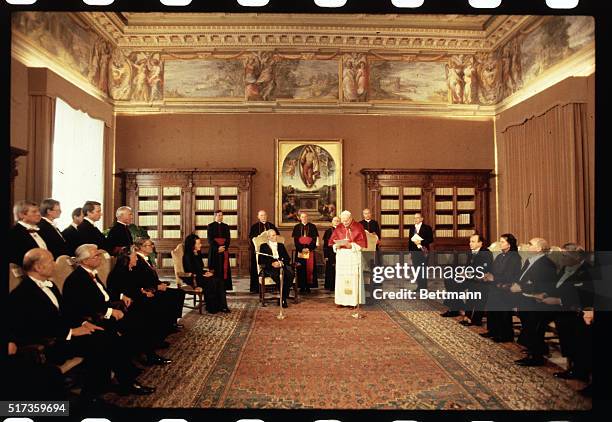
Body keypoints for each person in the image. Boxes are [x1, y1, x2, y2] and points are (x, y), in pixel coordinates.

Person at [8, 249, 155, 401]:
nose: (55, 265)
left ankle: (113, 384)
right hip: (52, 344)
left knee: (106, 335)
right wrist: (71, 332)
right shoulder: (22, 294)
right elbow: (32, 328)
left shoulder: (50, 285)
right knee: (103, 339)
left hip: (65, 334)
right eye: (51, 261)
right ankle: (93, 395)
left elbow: (67, 312)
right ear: (38, 267)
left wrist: (83, 323)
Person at [538, 243, 593, 380]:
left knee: (576, 342)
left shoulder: (586, 271)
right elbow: (557, 286)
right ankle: (573, 367)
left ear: (576, 255)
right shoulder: (564, 268)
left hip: (575, 312)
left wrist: (559, 300)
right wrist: (546, 294)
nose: (561, 258)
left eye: (564, 255)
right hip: (561, 312)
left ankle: (579, 370)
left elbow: (584, 296)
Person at [512, 238, 560, 366]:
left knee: (533, 327)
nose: (527, 246)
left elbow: (544, 286)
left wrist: (522, 287)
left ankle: (535, 357)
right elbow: (523, 278)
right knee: (528, 325)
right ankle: (533, 349)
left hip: (538, 302)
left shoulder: (546, 263)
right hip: (525, 299)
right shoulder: (529, 260)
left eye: (530, 244)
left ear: (539, 249)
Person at [131, 237, 186, 334]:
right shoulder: (137, 260)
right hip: (148, 290)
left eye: (151, 244)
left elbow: (151, 278)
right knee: (171, 296)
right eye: (149, 245)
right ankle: (167, 325)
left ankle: (171, 322)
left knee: (179, 293)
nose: (152, 246)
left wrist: (160, 283)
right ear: (141, 247)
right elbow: (139, 281)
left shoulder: (147, 259)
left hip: (154, 286)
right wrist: (157, 287)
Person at [480, 233, 521, 343]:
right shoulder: (499, 256)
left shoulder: (515, 257)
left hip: (506, 287)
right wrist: (488, 275)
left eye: (502, 242)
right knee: (491, 306)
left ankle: (505, 334)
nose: (500, 244)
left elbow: (511, 275)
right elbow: (493, 271)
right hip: (495, 285)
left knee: (501, 307)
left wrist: (494, 278)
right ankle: (493, 331)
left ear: (509, 244)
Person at [328, 210, 368, 307]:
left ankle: (353, 301)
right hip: (342, 257)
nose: (344, 223)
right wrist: (335, 246)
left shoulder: (358, 227)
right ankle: (341, 301)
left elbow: (361, 244)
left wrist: (351, 245)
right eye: (343, 220)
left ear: (350, 219)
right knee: (341, 278)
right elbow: (332, 242)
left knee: (352, 278)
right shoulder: (339, 227)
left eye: (346, 220)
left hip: (352, 256)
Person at [183, 233, 230, 314]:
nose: (200, 245)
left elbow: (200, 268)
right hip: (192, 278)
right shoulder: (187, 256)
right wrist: (203, 274)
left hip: (200, 276)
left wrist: (206, 272)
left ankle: (222, 306)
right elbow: (191, 271)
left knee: (219, 280)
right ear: (192, 245)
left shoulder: (198, 253)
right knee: (211, 281)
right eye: (198, 243)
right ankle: (212, 307)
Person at [460, 233, 493, 326]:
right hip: (471, 279)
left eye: (473, 241)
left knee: (477, 293)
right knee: (452, 282)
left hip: (483, 281)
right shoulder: (471, 252)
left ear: (480, 243)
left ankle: (476, 320)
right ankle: (467, 316)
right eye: (470, 241)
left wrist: (468, 274)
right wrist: (464, 272)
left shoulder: (486, 253)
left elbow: (483, 270)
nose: (470, 243)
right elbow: (468, 266)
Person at [258, 229, 293, 308]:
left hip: (281, 265)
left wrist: (281, 263)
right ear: (268, 237)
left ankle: (282, 297)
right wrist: (272, 263)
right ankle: (283, 299)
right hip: (270, 268)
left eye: (275, 235)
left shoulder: (280, 245)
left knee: (290, 275)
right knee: (279, 276)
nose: (275, 237)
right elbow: (261, 260)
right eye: (273, 235)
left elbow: (287, 258)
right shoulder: (263, 246)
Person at [248, 210, 280, 293]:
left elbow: (278, 237)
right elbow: (252, 239)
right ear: (258, 217)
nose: (263, 217)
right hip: (259, 252)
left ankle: (275, 287)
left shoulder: (272, 226)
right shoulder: (254, 227)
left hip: (271, 252)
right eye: (261, 215)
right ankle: (256, 288)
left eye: (265, 215)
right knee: (257, 267)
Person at [8, 200, 48, 265]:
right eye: (34, 212)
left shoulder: (39, 231)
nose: (38, 214)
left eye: (38, 211)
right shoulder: (14, 233)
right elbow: (16, 259)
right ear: (22, 215)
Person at [292, 211, 319, 292]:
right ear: (300, 218)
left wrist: (309, 248)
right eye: (302, 217)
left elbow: (314, 239)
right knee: (301, 268)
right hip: (300, 251)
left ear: (307, 218)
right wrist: (301, 249)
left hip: (309, 251)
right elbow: (296, 240)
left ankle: (308, 286)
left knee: (309, 269)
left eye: (305, 217)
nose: (304, 218)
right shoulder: (296, 227)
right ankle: (301, 286)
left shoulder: (312, 227)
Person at [406, 212, 433, 291]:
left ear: (421, 219)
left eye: (417, 217)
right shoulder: (412, 228)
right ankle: (419, 286)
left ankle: (424, 287)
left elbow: (431, 239)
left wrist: (421, 242)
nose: (415, 219)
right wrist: (410, 252)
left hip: (423, 251)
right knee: (416, 270)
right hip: (414, 252)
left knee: (423, 270)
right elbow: (410, 241)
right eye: (414, 218)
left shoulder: (427, 228)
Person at [207, 210, 233, 291]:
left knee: (223, 269)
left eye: (221, 215)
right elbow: (210, 239)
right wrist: (217, 248)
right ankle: (214, 287)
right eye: (218, 215)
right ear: (215, 216)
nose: (220, 217)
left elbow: (228, 239)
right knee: (215, 268)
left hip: (224, 251)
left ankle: (224, 287)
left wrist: (224, 247)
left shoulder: (226, 226)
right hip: (214, 251)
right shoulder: (210, 226)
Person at [323, 216, 340, 291]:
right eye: (335, 220)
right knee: (330, 269)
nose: (336, 222)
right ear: (332, 222)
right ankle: (330, 285)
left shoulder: (342, 230)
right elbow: (325, 244)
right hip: (330, 253)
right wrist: (325, 255)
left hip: (340, 252)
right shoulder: (328, 231)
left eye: (338, 220)